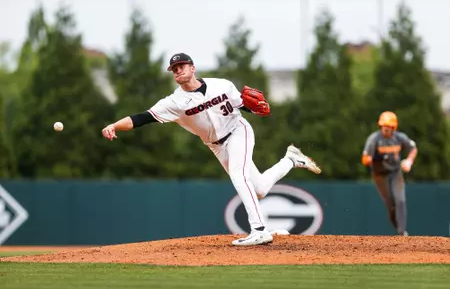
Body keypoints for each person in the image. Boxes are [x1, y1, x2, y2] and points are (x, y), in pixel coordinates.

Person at [102, 53, 321, 246]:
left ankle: (260, 230)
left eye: (182, 66)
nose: (178, 70)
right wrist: (114, 125)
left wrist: (255, 110)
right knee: (260, 189)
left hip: (238, 131)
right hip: (216, 145)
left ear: (193, 68)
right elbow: (142, 118)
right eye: (174, 69)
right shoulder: (174, 102)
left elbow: (243, 105)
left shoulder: (221, 85)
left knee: (238, 175)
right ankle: (291, 159)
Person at [361, 111, 418, 236]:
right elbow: (365, 158)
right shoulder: (374, 139)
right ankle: (398, 228)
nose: (386, 129)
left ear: (394, 127)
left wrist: (409, 161)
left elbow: (413, 148)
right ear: (380, 126)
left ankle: (402, 232)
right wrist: (371, 158)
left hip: (395, 173)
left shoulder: (400, 138)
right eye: (384, 126)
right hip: (380, 175)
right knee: (391, 204)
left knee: (400, 200)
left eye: (389, 126)